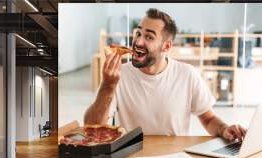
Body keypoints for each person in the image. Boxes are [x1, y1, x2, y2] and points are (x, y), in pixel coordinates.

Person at [84, 8, 246, 142]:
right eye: (138, 33)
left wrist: (224, 129)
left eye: (149, 37)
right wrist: (108, 85)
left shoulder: (187, 74)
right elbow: (91, 128)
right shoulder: (120, 75)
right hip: (128, 157)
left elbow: (208, 119)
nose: (138, 42)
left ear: (166, 46)